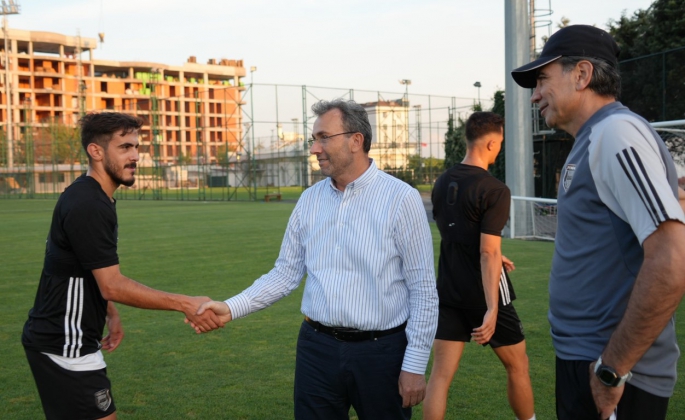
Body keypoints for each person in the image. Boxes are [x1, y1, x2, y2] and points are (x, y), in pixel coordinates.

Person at [194, 99, 439, 419]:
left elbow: (423, 289)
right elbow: (285, 273)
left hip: (382, 353)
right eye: (314, 139)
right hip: (316, 349)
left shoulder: (400, 199)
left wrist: (415, 365)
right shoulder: (309, 200)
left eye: (324, 137)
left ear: (356, 141)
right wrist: (230, 307)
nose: (315, 148)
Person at [511, 25, 685, 420]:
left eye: (542, 80)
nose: (534, 94)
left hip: (613, 372)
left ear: (583, 74)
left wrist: (612, 369)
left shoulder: (615, 133)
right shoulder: (596, 138)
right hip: (590, 362)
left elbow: (672, 261)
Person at [21, 112, 223, 420]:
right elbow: (111, 283)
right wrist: (186, 304)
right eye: (125, 147)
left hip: (65, 338)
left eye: (136, 148)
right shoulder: (89, 204)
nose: (135, 156)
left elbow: (82, 267)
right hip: (65, 344)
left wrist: (110, 313)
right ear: (96, 151)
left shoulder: (92, 196)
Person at [423, 112, 535, 420]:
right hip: (486, 293)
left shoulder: (443, 181)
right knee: (518, 365)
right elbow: (487, 251)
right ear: (490, 143)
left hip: (448, 288)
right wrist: (492, 309)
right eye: (499, 143)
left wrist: (496, 254)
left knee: (440, 377)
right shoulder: (495, 189)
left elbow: (458, 233)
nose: (500, 148)